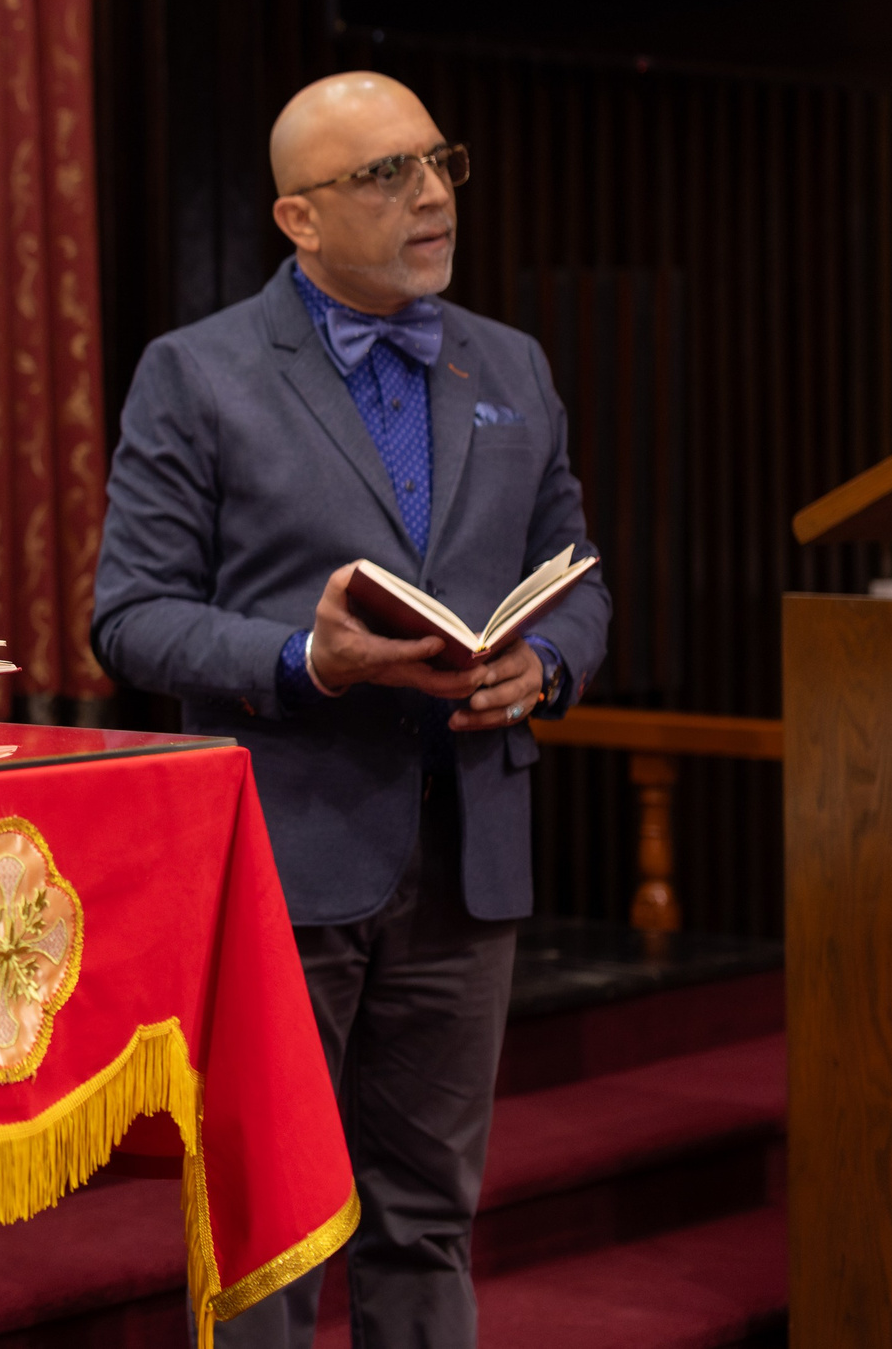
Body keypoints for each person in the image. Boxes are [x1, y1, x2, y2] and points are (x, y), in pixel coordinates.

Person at [90, 72, 610, 1345]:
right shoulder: (196, 373)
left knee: (428, 1218)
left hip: (467, 848)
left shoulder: (512, 364)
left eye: (438, 163)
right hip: (284, 848)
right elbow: (128, 618)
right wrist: (301, 660)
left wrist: (542, 667)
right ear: (297, 219)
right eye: (384, 175)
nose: (429, 195)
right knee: (271, 1227)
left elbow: (579, 577)